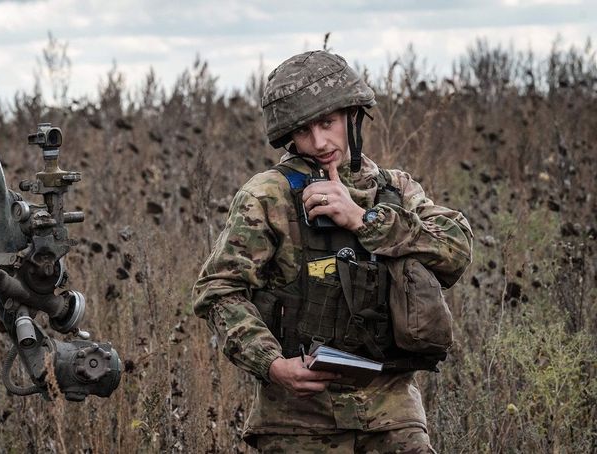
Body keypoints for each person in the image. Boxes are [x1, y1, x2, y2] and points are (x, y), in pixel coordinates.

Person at [193, 50, 473, 453]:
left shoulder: (394, 189)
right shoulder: (268, 195)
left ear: (352, 116)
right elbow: (218, 290)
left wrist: (363, 219)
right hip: (298, 421)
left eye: (327, 123)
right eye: (304, 131)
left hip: (392, 416)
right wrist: (272, 365)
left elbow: (456, 250)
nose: (319, 142)